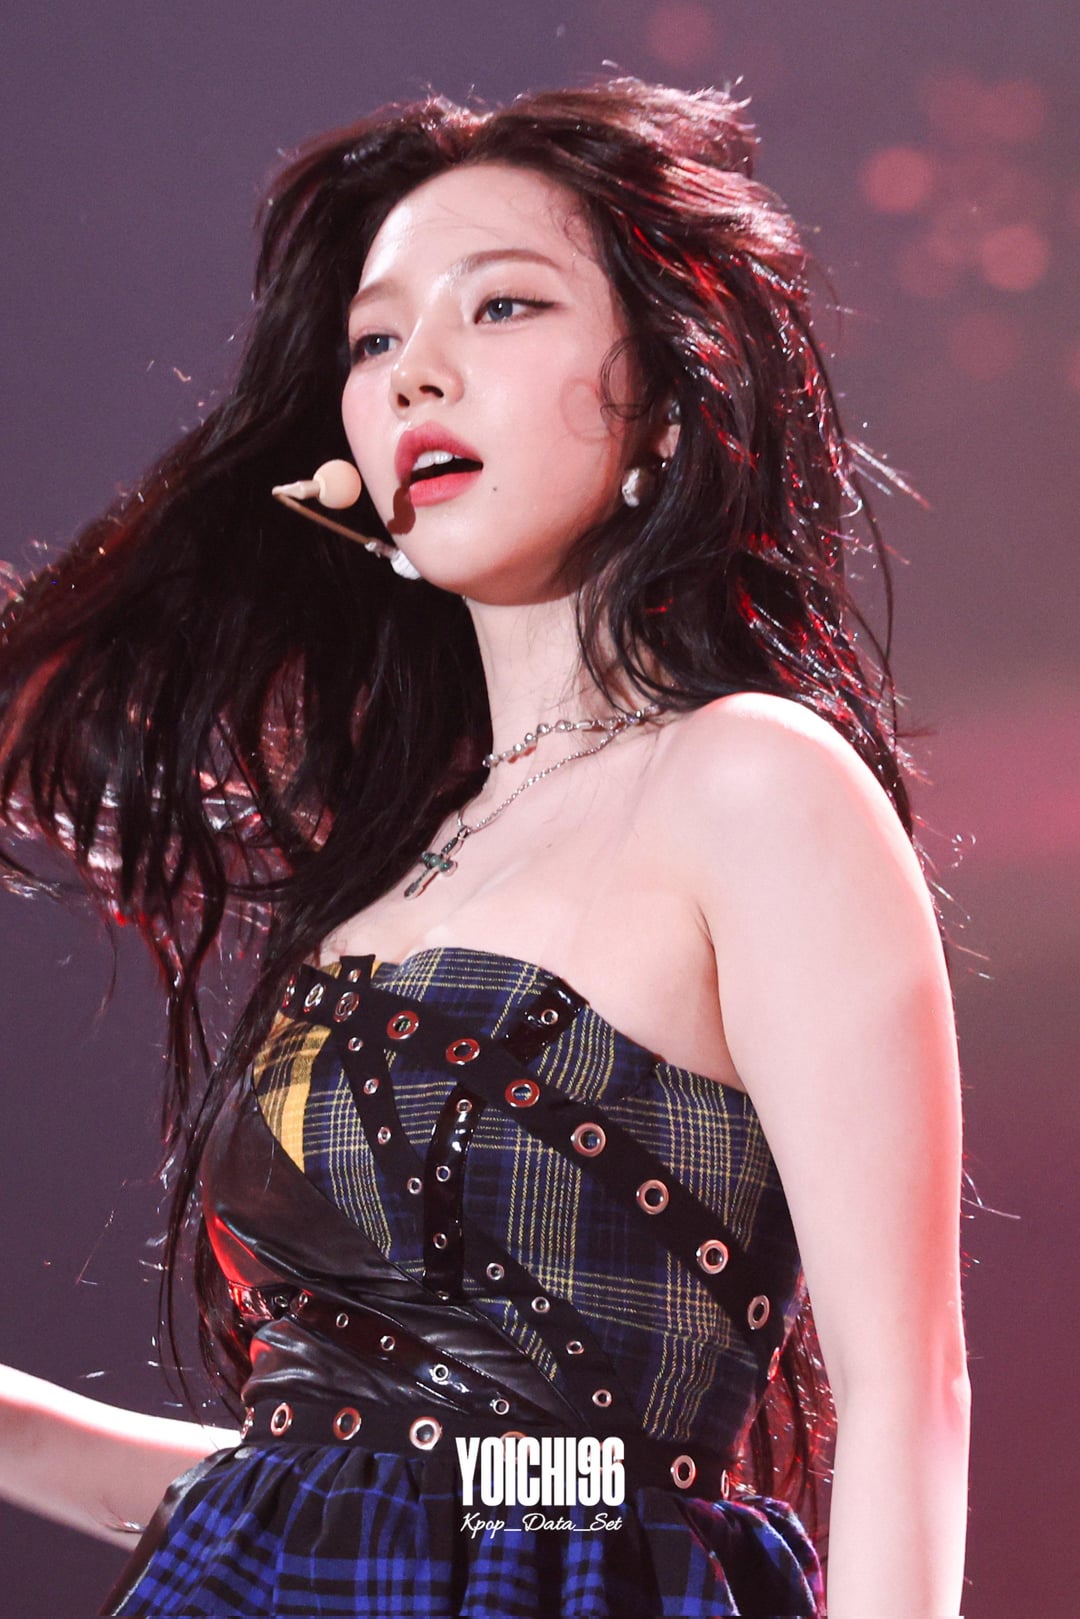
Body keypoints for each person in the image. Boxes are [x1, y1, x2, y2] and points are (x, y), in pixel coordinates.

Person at [0, 78, 969, 1618]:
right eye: (374, 341)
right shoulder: (386, 873)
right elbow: (333, 1481)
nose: (415, 375)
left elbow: (906, 1391)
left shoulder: (751, 785)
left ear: (666, 400)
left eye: (502, 305)